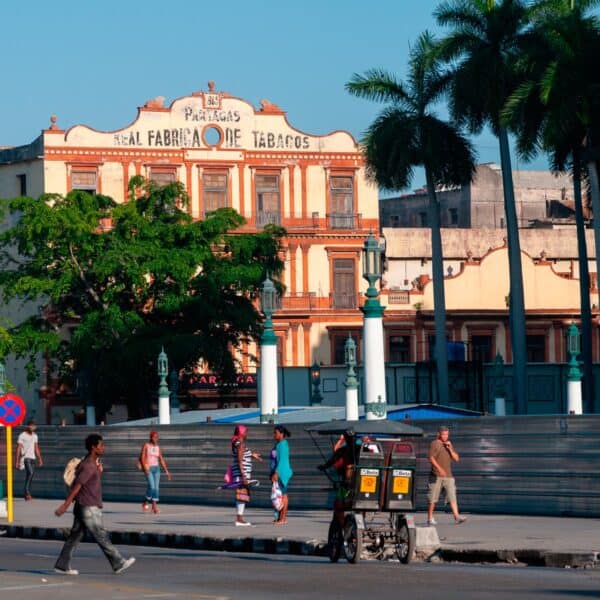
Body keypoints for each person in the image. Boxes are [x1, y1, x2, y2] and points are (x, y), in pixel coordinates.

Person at [54, 434, 136, 576]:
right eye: (101, 445)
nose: (103, 448)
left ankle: (62, 565)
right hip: (88, 506)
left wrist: (99, 472)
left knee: (75, 536)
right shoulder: (88, 465)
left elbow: (88, 483)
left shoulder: (89, 463)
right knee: (101, 535)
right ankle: (118, 562)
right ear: (93, 447)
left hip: (82, 505)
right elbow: (78, 486)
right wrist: (65, 505)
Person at [427, 425, 466, 526]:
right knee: (433, 498)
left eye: (447, 434)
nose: (445, 436)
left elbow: (456, 459)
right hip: (436, 475)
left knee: (452, 496)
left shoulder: (448, 444)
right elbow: (431, 458)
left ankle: (456, 517)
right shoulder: (434, 444)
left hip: (448, 476)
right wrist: (439, 469)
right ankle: (430, 518)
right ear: (438, 434)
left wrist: (450, 449)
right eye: (443, 434)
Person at [318, 432, 357, 527]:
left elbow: (332, 460)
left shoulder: (344, 450)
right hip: (365, 486)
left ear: (346, 439)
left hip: (348, 485)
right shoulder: (364, 449)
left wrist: (323, 467)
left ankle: (343, 526)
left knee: (338, 504)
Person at [230, 425, 261, 526]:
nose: (247, 434)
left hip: (240, 473)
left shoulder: (237, 443)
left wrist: (252, 455)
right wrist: (243, 476)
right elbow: (240, 460)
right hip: (241, 474)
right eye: (246, 432)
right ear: (242, 433)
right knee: (242, 495)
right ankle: (239, 519)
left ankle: (240, 518)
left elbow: (242, 454)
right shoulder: (240, 444)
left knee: (243, 495)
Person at [140, 431, 171, 514]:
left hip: (156, 469)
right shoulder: (146, 445)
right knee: (152, 486)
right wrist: (145, 467)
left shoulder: (158, 447)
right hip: (148, 468)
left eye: (157, 437)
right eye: (154, 437)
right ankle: (146, 502)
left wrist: (167, 471)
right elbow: (142, 457)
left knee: (156, 488)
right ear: (150, 437)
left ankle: (154, 506)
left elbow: (161, 459)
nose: (155, 439)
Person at [270, 425, 293, 525]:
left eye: (276, 433)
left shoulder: (283, 445)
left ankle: (283, 518)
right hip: (277, 472)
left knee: (283, 495)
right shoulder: (278, 444)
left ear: (281, 434)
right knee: (277, 495)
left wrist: (276, 473)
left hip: (281, 473)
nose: (274, 435)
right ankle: (278, 517)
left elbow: (283, 461)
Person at [15, 420, 43, 501]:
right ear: (28, 426)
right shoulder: (22, 435)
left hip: (32, 458)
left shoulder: (35, 436)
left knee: (30, 476)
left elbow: (36, 448)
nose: (33, 427)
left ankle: (26, 492)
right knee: (30, 473)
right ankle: (27, 493)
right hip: (25, 458)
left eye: (34, 426)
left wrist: (40, 458)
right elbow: (18, 448)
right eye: (31, 426)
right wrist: (16, 461)